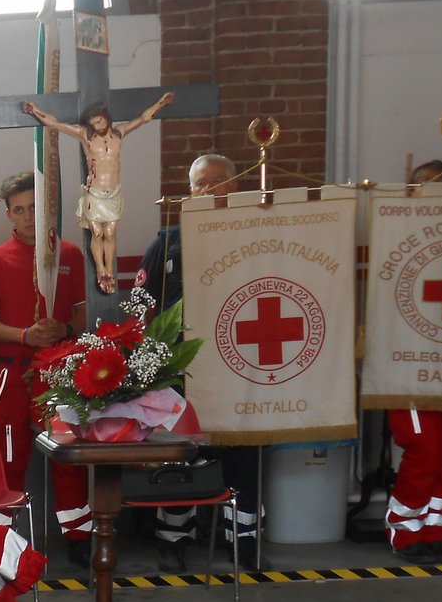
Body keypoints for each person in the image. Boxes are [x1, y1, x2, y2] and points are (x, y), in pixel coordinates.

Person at [134, 152, 263, 570]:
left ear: (235, 185)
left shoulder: (254, 236)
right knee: (180, 455)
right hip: (181, 372)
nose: (206, 190)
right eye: (199, 183)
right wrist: (148, 362)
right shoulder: (168, 241)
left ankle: (243, 539)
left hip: (242, 368)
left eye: (216, 181)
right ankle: (173, 540)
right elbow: (141, 306)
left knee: (243, 456)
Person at [0, 171, 92, 565]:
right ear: (9, 215)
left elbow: (80, 318)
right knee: (10, 455)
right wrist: (24, 335)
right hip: (13, 369)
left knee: (67, 453)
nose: (27, 217)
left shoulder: (71, 255)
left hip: (59, 369)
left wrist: (63, 329)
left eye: (33, 209)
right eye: (19, 210)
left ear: (47, 212)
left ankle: (79, 537)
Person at [384, 159, 442, 562]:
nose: (436, 193)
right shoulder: (395, 239)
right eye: (427, 186)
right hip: (409, 365)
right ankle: (405, 534)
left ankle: (436, 531)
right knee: (424, 448)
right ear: (412, 193)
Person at [23, 91, 173, 293]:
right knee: (97, 231)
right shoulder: (86, 136)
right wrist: (35, 111)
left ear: (107, 119)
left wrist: (161, 103)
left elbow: (143, 119)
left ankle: (109, 269)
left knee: (109, 233)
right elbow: (56, 124)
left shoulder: (119, 134)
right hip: (94, 192)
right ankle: (101, 270)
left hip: (113, 192)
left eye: (100, 121)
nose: (98, 126)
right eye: (94, 123)